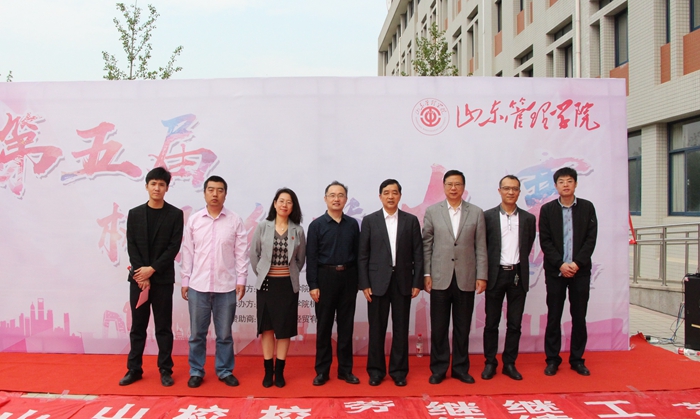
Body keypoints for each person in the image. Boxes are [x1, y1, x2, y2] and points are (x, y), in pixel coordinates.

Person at [180, 175, 249, 388]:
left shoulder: (235, 220)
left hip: (226, 286)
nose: (215, 194)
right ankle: (196, 371)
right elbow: (188, 252)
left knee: (225, 334)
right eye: (211, 190)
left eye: (220, 190)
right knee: (197, 334)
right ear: (204, 193)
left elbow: (241, 253)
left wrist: (241, 279)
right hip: (198, 286)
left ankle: (224, 370)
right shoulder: (194, 220)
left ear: (225, 194)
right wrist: (185, 280)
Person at [422, 169, 487, 385]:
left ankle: (460, 368)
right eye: (449, 184)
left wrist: (482, 275)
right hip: (440, 277)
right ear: (443, 186)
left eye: (457, 184)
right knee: (439, 327)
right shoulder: (433, 211)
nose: (453, 188)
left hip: (466, 277)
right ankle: (439, 369)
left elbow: (481, 246)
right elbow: (426, 245)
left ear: (463, 187)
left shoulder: (476, 212)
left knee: (462, 327)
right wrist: (427, 273)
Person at [120, 167, 183, 387]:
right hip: (139, 281)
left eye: (161, 184)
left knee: (163, 327)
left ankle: (165, 369)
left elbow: (173, 247)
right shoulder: (135, 214)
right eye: (153, 184)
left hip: (163, 280)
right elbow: (132, 246)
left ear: (167, 188)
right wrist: (142, 273)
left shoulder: (175, 215)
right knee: (138, 327)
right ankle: (134, 369)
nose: (157, 188)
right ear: (146, 186)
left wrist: (152, 269)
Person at [358, 179, 423, 387]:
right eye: (386, 192)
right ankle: (376, 371)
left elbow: (418, 254)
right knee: (376, 329)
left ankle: (399, 371)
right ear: (380, 196)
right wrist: (364, 284)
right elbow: (363, 255)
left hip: (403, 281)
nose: (390, 196)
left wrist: (417, 281)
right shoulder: (370, 221)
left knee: (401, 329)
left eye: (394, 192)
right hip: (377, 282)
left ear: (400, 196)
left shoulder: (411, 221)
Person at [539, 167, 597, 377]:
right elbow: (545, 241)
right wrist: (561, 264)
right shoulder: (547, 210)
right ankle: (552, 359)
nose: (565, 185)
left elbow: (591, 239)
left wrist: (577, 263)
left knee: (579, 317)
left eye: (569, 181)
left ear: (575, 184)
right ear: (555, 185)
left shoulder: (587, 207)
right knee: (554, 316)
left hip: (580, 271)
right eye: (561, 181)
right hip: (556, 272)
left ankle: (577, 359)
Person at [481, 175, 536, 381]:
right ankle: (490, 362)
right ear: (499, 191)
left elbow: (528, 245)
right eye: (506, 188)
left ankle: (509, 363)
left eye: (514, 189)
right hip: (495, 275)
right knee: (491, 323)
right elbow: (483, 247)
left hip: (517, 275)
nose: (510, 192)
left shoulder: (528, 219)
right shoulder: (487, 217)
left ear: (519, 192)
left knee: (514, 323)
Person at [250, 188, 306, 388]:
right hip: (266, 284)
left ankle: (280, 372)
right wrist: (263, 272)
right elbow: (254, 254)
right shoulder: (263, 226)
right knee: (267, 329)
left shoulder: (298, 230)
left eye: (289, 202)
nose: (284, 205)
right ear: (274, 203)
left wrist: (288, 274)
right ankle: (268, 371)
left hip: (287, 286)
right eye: (281, 201)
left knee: (284, 330)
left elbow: (300, 259)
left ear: (293, 206)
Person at [306, 181, 361, 386]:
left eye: (340, 195)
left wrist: (359, 281)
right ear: (325, 198)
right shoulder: (316, 226)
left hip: (348, 278)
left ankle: (345, 370)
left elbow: (358, 254)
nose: (336, 199)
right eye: (332, 195)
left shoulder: (352, 224)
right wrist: (313, 285)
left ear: (345, 199)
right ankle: (322, 371)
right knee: (324, 328)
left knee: (346, 327)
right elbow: (311, 258)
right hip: (325, 278)